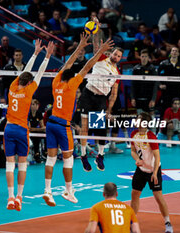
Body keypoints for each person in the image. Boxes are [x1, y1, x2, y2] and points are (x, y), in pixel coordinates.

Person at [43, 34, 114, 206]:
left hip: (50, 124)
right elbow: (88, 65)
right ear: (71, 77)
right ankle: (68, 191)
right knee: (68, 159)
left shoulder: (56, 82)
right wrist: (101, 51)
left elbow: (67, 64)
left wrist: (79, 46)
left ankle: (47, 190)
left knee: (50, 159)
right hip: (62, 126)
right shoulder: (72, 84)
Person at [4, 39, 54, 211]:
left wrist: (35, 53)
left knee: (10, 165)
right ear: (28, 83)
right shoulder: (28, 91)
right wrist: (46, 56)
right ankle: (19, 196)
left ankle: (10, 198)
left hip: (9, 128)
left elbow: (25, 72)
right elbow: (39, 73)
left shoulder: (13, 86)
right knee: (22, 165)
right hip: (21, 130)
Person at [79, 17, 124, 172]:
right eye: (115, 54)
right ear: (111, 53)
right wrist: (97, 28)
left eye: (119, 56)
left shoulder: (117, 73)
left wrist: (109, 110)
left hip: (100, 100)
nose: (116, 57)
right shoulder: (102, 57)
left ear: (120, 58)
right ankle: (83, 156)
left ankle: (100, 156)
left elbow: (114, 94)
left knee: (100, 130)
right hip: (88, 94)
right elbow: (97, 44)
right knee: (84, 128)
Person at [130, 112, 173, 233]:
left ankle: (168, 223)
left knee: (158, 197)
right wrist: (137, 159)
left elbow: (157, 156)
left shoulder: (151, 136)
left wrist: (154, 173)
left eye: (138, 119)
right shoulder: (134, 134)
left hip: (153, 169)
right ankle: (132, 222)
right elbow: (133, 151)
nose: (136, 121)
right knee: (134, 194)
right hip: (141, 169)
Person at [157, 46, 180, 113]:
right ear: (170, 53)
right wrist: (160, 84)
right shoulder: (164, 63)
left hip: (178, 89)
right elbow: (156, 75)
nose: (174, 52)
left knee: (178, 108)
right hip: (167, 89)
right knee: (166, 108)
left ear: (178, 54)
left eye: (176, 51)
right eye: (173, 51)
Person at [131, 49, 158, 114]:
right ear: (140, 57)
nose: (144, 58)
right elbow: (133, 85)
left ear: (148, 58)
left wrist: (153, 99)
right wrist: (132, 98)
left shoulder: (152, 68)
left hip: (149, 98)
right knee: (140, 118)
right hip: (138, 98)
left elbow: (155, 85)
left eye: (146, 56)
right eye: (142, 56)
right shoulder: (136, 69)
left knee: (151, 118)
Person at [28, 99, 46, 163]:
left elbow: (42, 126)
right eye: (32, 104)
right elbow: (29, 128)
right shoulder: (28, 114)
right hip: (29, 133)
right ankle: (37, 154)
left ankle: (45, 152)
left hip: (36, 131)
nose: (34, 106)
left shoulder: (39, 113)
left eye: (35, 104)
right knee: (36, 137)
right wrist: (40, 129)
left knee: (46, 133)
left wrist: (44, 129)